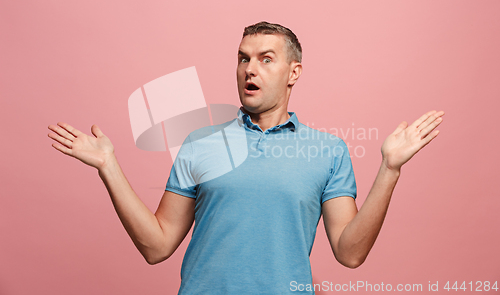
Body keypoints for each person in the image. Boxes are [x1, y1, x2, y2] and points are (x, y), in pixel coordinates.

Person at [48, 21, 444, 294]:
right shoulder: (200, 143)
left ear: (294, 72)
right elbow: (157, 246)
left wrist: (390, 169)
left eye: (265, 59)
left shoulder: (328, 150)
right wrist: (108, 166)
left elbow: (350, 252)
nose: (249, 69)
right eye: (243, 58)